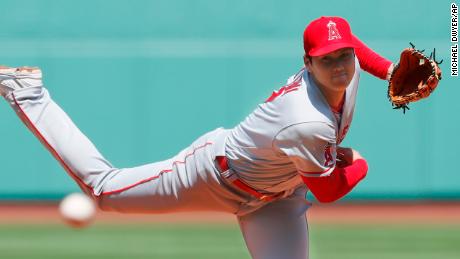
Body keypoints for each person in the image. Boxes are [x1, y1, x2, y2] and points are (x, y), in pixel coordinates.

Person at [0, 16, 393, 259]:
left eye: (343, 56)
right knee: (102, 192)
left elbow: (351, 44)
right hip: (214, 175)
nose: (340, 65)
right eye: (327, 59)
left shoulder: (349, 66)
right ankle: (26, 91)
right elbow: (327, 191)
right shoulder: (305, 120)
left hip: (277, 199)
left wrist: (390, 71)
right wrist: (359, 162)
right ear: (307, 63)